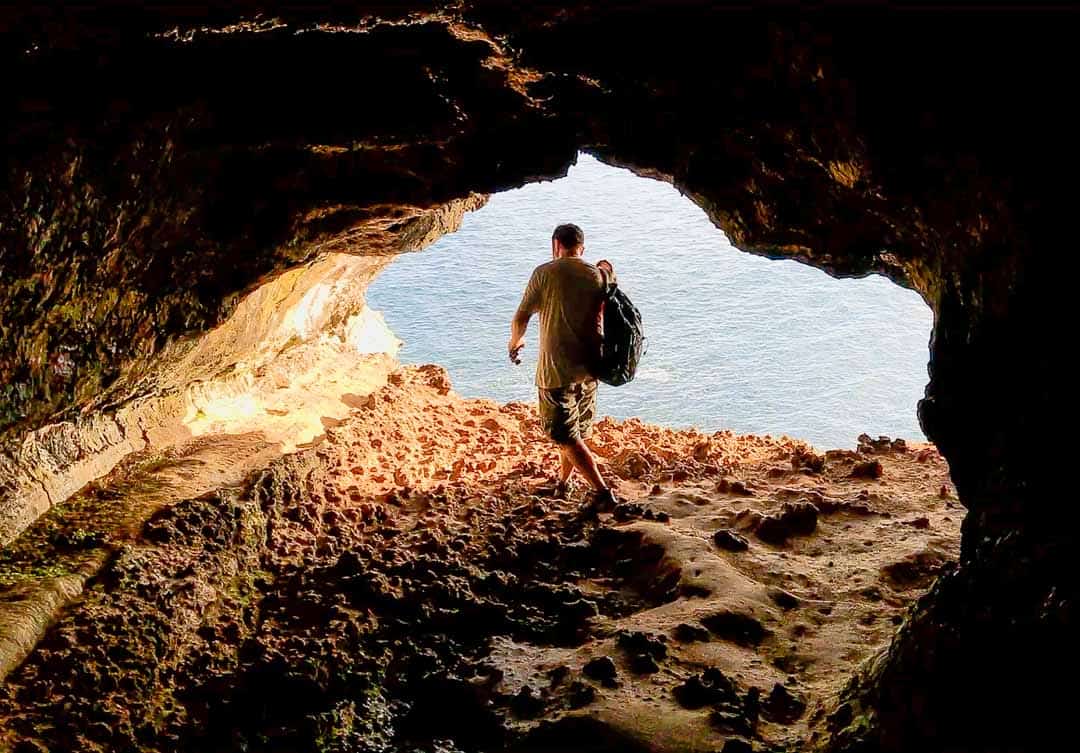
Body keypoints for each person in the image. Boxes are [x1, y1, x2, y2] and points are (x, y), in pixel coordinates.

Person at [508, 223, 618, 510]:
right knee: (574, 433)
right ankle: (564, 483)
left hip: (556, 371)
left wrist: (515, 342)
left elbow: (522, 316)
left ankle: (602, 493)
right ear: (582, 247)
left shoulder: (545, 273)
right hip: (590, 371)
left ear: (555, 244)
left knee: (564, 436)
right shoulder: (598, 275)